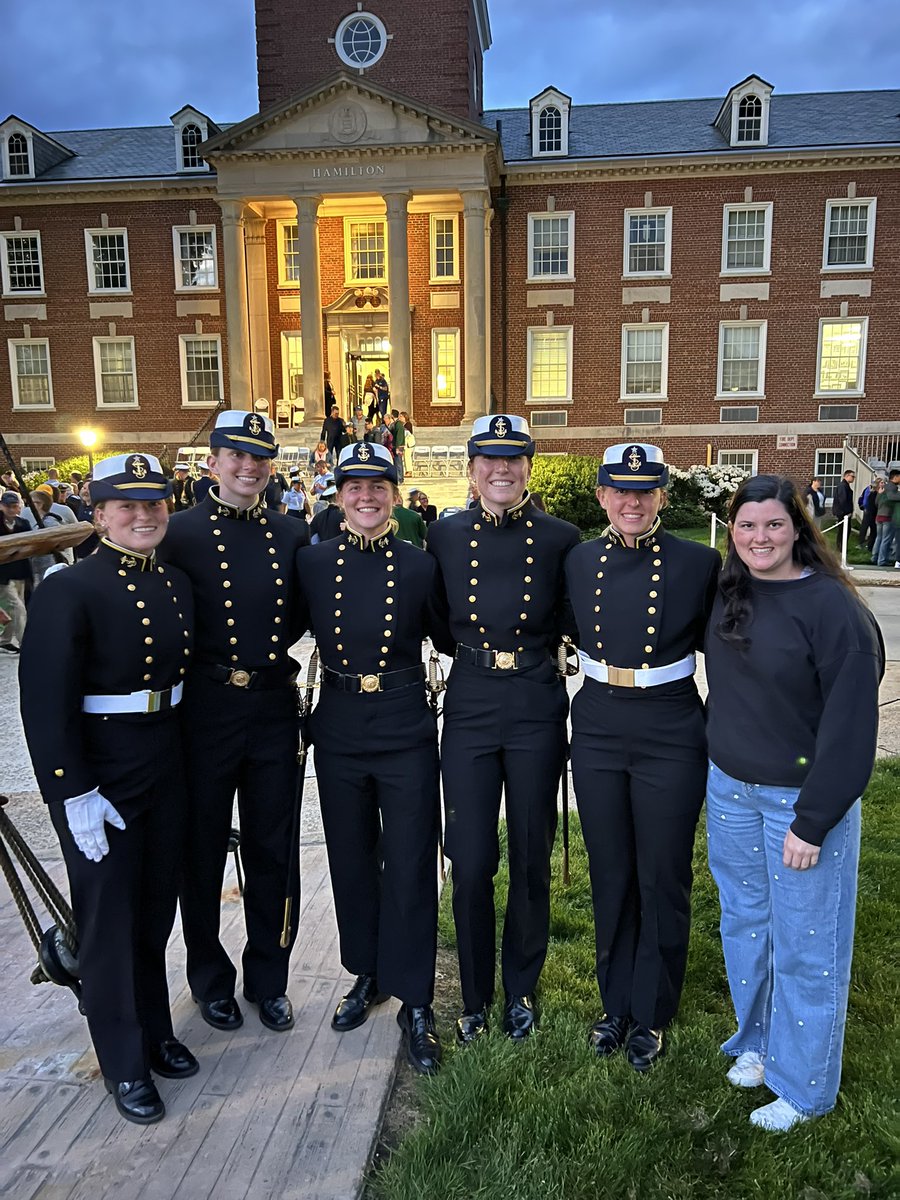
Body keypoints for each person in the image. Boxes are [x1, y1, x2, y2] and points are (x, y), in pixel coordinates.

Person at [19, 453, 197, 1125]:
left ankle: (155, 1033)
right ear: (98, 516)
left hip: (166, 755)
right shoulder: (71, 588)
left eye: (154, 504)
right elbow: (44, 701)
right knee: (108, 919)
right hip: (102, 769)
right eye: (127, 506)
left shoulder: (176, 584)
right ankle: (124, 1063)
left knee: (154, 910)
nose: (144, 515)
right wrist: (73, 791)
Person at [704, 474, 883, 1131]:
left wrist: (814, 819)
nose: (759, 537)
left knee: (807, 945)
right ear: (733, 532)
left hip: (799, 805)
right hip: (729, 792)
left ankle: (805, 1088)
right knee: (747, 928)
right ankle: (757, 1044)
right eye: (747, 525)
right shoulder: (730, 590)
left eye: (773, 525)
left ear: (798, 529)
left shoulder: (833, 609)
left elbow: (851, 723)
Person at [564, 443, 721, 1072]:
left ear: (662, 495)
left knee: (662, 872)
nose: (632, 501)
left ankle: (652, 1010)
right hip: (599, 718)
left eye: (645, 490)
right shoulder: (577, 561)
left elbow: (731, 645)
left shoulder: (698, 563)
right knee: (611, 870)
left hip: (670, 724)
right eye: (620, 490)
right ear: (602, 495)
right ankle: (614, 1003)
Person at [296, 441, 451, 1075]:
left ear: (393, 492)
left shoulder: (419, 565)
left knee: (412, 857)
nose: (366, 495)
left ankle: (416, 997)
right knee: (351, 854)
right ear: (337, 494)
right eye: (354, 485)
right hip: (336, 722)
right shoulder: (310, 562)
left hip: (404, 719)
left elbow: (446, 631)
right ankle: (368, 973)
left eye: (378, 485)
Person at [426, 415, 580, 1044]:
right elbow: (437, 621)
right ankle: (473, 996)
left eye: (513, 459)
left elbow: (573, 617)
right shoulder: (443, 536)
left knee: (530, 853)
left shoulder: (560, 539)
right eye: (488, 459)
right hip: (470, 701)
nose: (501, 470)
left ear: (528, 468)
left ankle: (521, 989)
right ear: (471, 469)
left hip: (536, 701)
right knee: (469, 858)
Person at [157, 411, 309, 1036]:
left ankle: (268, 978)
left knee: (274, 850)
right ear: (212, 461)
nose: (248, 467)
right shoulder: (179, 533)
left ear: (271, 464)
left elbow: (305, 612)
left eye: (258, 457)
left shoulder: (293, 533)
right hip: (206, 709)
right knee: (201, 851)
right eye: (234, 455)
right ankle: (209, 979)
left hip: (272, 707)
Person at [0, 490, 30, 652]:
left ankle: (5, 640)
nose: (11, 509)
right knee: (18, 608)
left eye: (14, 506)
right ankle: (25, 643)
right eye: (7, 506)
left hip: (19, 572)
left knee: (13, 608)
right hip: (2, 574)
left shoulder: (23, 524)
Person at [830, 469, 855, 548]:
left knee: (846, 530)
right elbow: (842, 500)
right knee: (843, 530)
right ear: (847, 476)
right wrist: (847, 511)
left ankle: (842, 546)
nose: (853, 478)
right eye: (852, 476)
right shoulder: (842, 486)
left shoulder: (845, 485)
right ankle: (840, 546)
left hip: (844, 512)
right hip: (843, 512)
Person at [389, 409, 406, 485]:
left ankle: (399, 478)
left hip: (398, 446)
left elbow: (398, 436)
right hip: (398, 445)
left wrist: (397, 447)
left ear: (392, 415)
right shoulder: (397, 424)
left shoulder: (398, 424)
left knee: (398, 462)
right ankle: (400, 478)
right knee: (398, 462)